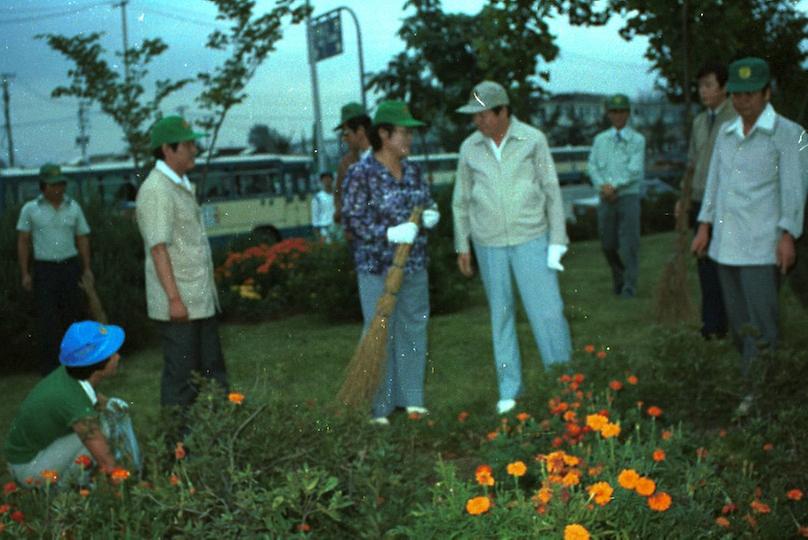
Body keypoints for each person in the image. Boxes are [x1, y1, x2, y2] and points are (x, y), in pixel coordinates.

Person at [691, 57, 806, 412]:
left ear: (767, 93)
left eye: (751, 94)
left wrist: (788, 234)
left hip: (762, 246)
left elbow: (794, 189)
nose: (743, 102)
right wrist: (704, 225)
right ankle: (755, 384)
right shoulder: (726, 134)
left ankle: (761, 395)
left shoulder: (790, 134)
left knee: (762, 325)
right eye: (738, 95)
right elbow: (714, 183)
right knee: (740, 326)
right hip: (726, 246)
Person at [452, 81, 571, 415]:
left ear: (503, 111)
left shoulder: (533, 140)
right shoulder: (469, 148)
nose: (477, 121)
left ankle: (564, 383)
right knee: (500, 316)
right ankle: (509, 390)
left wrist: (557, 241)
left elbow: (551, 191)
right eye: (474, 115)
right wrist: (463, 244)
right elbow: (460, 200)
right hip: (488, 244)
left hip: (532, 239)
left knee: (548, 314)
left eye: (483, 114)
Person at [341, 100, 440, 424]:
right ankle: (379, 407)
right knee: (380, 331)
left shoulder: (413, 170)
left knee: (414, 327)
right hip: (376, 268)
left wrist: (429, 215)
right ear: (383, 134)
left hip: (413, 266)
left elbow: (426, 202)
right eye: (403, 133)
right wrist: (389, 232)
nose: (409, 139)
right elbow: (353, 221)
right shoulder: (361, 173)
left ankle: (412, 400)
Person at [135, 116, 229, 412]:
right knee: (182, 383)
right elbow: (158, 249)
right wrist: (174, 300)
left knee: (213, 373)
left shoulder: (180, 184)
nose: (194, 150)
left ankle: (217, 438)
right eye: (188, 144)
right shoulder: (156, 190)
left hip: (199, 300)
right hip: (181, 306)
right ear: (167, 149)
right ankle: (178, 450)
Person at [4, 321, 141, 486]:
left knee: (113, 410)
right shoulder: (73, 401)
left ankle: (83, 484)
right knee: (103, 429)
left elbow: (99, 402)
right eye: (112, 353)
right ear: (98, 364)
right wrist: (132, 488)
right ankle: (66, 491)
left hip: (31, 456)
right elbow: (108, 462)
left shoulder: (72, 376)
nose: (118, 356)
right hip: (28, 468)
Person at [17, 164, 94, 375]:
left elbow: (82, 238)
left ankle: (76, 367)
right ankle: (51, 370)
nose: (59, 188)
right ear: (43, 186)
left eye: (61, 183)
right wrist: (25, 273)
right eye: (54, 184)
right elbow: (23, 241)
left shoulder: (74, 207)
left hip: (70, 267)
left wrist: (86, 269)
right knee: (47, 320)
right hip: (45, 270)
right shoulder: (30, 209)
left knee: (73, 317)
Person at [683, 62, 737, 339]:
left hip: (726, 203)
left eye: (709, 85)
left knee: (726, 265)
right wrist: (684, 196)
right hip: (699, 199)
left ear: (725, 88)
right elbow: (692, 163)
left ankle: (731, 321)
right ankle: (712, 325)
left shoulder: (735, 119)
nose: (703, 91)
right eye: (700, 86)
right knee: (705, 265)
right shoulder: (699, 122)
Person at [587, 94, 646, 299]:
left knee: (629, 244)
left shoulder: (637, 140)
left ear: (628, 114)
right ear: (608, 114)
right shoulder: (600, 140)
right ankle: (618, 279)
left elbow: (634, 170)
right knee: (607, 243)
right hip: (605, 197)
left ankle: (629, 287)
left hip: (627, 196)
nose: (618, 115)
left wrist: (615, 187)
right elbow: (592, 166)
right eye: (614, 111)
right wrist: (603, 187)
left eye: (622, 111)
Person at [333, 102, 372, 228]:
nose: (344, 139)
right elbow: (338, 192)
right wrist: (340, 210)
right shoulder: (346, 164)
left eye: (346, 134)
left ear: (360, 131)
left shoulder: (385, 157)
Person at [311, 171, 336, 241]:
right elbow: (315, 217)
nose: (327, 180)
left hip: (338, 228)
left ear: (332, 180)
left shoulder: (338, 195)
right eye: (324, 179)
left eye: (329, 178)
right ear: (321, 181)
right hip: (325, 229)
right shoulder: (317, 197)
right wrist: (318, 235)